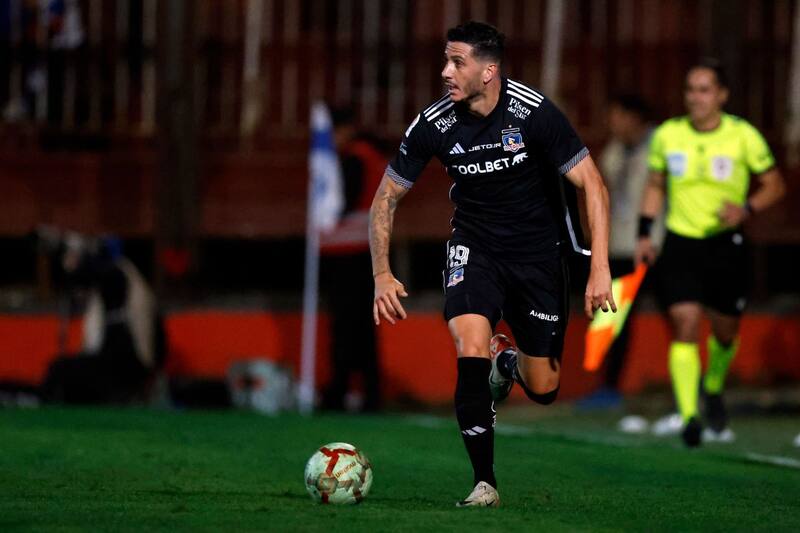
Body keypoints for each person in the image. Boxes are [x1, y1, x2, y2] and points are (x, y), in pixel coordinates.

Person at [368, 21, 615, 507]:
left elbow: (593, 185)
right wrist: (381, 273)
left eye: (457, 62)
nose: (445, 72)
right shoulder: (434, 124)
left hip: (538, 256)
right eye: (445, 60)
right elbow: (385, 197)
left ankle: (509, 362)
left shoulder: (533, 113)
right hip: (474, 247)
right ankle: (485, 483)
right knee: (468, 343)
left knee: (544, 386)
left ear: (489, 70)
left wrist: (600, 266)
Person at [635, 59, 786, 447]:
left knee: (725, 331)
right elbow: (655, 184)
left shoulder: (743, 136)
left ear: (721, 95)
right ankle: (689, 416)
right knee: (684, 321)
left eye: (704, 90)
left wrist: (746, 209)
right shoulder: (669, 135)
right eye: (690, 89)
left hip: (725, 245)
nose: (696, 97)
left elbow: (774, 185)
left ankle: (714, 386)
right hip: (681, 243)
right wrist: (644, 232)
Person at [579, 94, 662, 409]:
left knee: (680, 313)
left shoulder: (660, 145)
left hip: (657, 245)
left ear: (635, 117)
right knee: (611, 319)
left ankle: (698, 385)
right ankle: (608, 387)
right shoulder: (614, 152)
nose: (611, 124)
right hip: (620, 248)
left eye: (617, 117)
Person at [319, 106, 384, 412]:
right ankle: (365, 392)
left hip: (350, 253)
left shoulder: (356, 159)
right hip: (361, 253)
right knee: (360, 327)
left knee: (347, 327)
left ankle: (342, 390)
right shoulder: (367, 156)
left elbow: (341, 203)